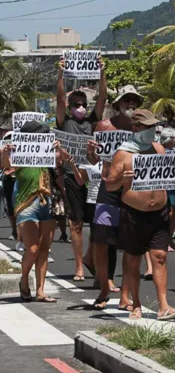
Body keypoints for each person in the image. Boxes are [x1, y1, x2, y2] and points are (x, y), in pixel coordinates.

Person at [107, 109, 175, 321]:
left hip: (158, 213)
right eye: (147, 127)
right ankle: (136, 303)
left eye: (153, 127)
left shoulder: (158, 149)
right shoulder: (123, 154)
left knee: (160, 257)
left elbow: (168, 176)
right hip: (133, 214)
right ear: (136, 129)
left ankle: (164, 306)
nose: (152, 131)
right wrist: (122, 179)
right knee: (133, 260)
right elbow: (110, 184)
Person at [86, 85, 143, 309]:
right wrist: (91, 152)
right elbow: (93, 161)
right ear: (117, 104)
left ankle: (125, 295)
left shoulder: (142, 128)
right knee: (101, 240)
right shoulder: (104, 126)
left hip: (132, 190)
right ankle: (103, 287)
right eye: (126, 100)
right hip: (107, 190)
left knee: (131, 243)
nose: (130, 104)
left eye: (134, 101)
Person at [2, 120, 68, 302]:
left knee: (45, 249)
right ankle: (24, 280)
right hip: (26, 204)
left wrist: (59, 149)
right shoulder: (18, 151)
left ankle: (40, 290)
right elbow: (7, 168)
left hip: (46, 202)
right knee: (32, 248)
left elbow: (65, 160)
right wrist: (7, 153)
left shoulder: (48, 151)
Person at [56, 56, 107, 280]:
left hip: (93, 178)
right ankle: (78, 266)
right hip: (71, 176)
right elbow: (58, 98)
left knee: (97, 224)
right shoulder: (64, 122)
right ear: (69, 107)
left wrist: (102, 72)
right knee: (75, 223)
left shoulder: (92, 122)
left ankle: (89, 257)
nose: (81, 107)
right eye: (76, 104)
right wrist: (60, 74)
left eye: (84, 104)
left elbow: (103, 99)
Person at [160, 128, 175, 252]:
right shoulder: (160, 151)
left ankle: (169, 237)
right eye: (174, 138)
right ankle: (165, 239)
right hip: (164, 185)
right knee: (168, 213)